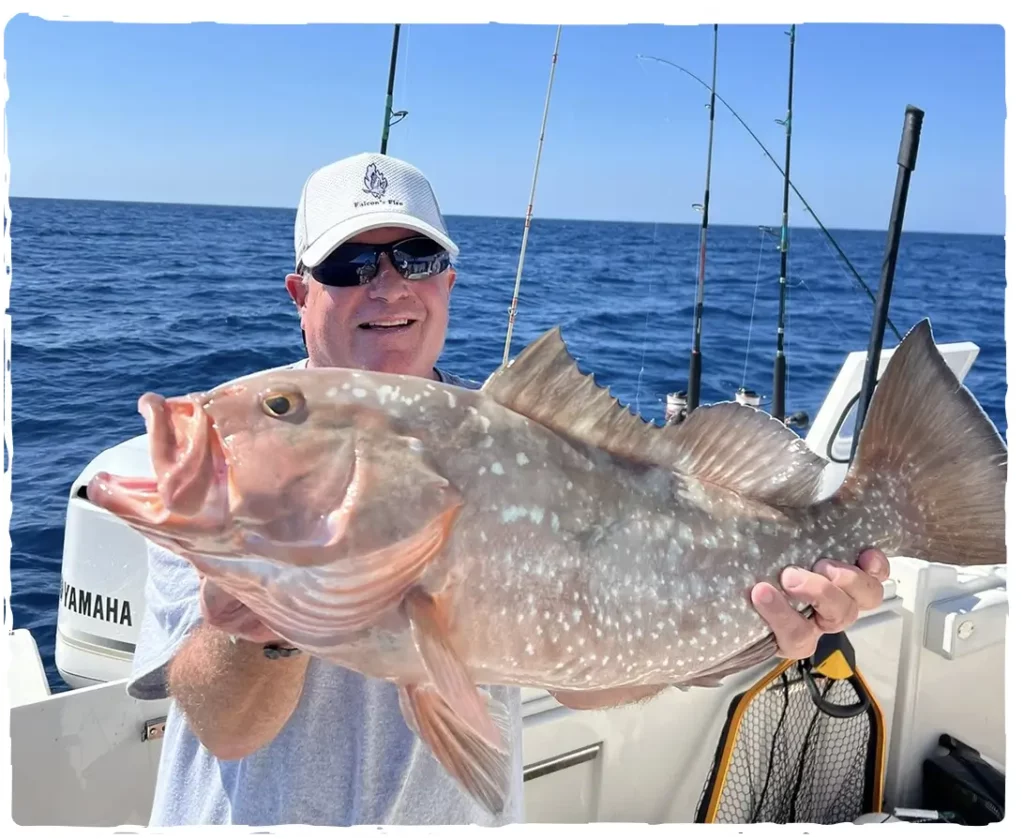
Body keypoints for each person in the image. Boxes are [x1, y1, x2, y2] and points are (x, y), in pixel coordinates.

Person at [126, 151, 890, 827]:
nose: (387, 286)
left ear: (447, 282)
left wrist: (762, 627)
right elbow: (226, 727)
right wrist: (264, 619)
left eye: (415, 258)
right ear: (301, 293)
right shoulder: (230, 448)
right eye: (350, 265)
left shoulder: (517, 434)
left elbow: (587, 681)